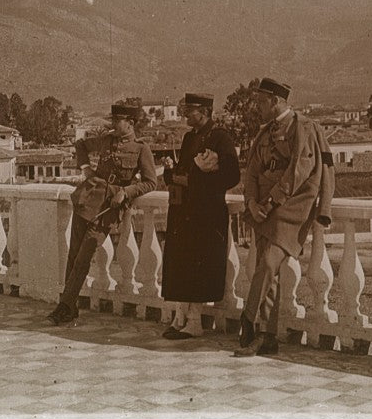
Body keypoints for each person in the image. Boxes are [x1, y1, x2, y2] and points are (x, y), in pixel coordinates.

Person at [236, 77, 334, 357]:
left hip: (291, 210)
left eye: (261, 102)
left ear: (276, 101)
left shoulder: (303, 128)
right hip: (264, 211)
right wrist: (252, 202)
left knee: (267, 263)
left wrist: (270, 201)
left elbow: (299, 172)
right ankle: (268, 338)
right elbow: (252, 171)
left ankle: (249, 319)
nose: (257, 107)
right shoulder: (264, 133)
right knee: (268, 273)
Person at [47, 103, 161, 325]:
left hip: (109, 208)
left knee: (84, 255)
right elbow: (80, 145)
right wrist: (86, 169)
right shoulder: (106, 140)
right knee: (73, 255)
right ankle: (70, 308)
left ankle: (64, 305)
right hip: (89, 199)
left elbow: (151, 182)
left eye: (117, 120)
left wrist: (127, 192)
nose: (113, 124)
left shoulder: (141, 149)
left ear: (130, 123)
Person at [160, 92, 240, 340]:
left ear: (204, 112)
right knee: (182, 264)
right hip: (185, 210)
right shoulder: (189, 138)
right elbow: (186, 170)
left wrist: (198, 179)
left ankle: (194, 321)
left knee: (197, 266)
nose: (186, 114)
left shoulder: (221, 139)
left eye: (191, 110)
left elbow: (232, 176)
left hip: (205, 213)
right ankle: (182, 316)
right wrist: (173, 173)